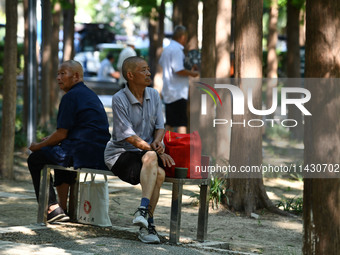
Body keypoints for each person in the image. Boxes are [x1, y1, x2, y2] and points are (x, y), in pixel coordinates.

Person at [27, 60, 111, 223]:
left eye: (63, 73)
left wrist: (38, 146)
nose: (58, 78)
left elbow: (61, 134)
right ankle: (62, 210)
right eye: (57, 74)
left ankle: (51, 207)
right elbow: (66, 131)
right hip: (97, 152)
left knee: (36, 158)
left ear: (76, 76)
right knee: (56, 154)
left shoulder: (70, 96)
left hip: (81, 153)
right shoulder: (88, 94)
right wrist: (52, 140)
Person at [104, 56, 175, 244]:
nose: (148, 73)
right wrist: (157, 150)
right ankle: (146, 216)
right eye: (143, 70)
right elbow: (128, 136)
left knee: (159, 173)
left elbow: (160, 127)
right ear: (130, 75)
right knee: (152, 159)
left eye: (148, 69)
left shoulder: (154, 95)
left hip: (146, 155)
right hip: (120, 154)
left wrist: (158, 142)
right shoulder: (119, 98)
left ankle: (145, 222)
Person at [159, 25, 199, 134]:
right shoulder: (177, 50)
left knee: (170, 123)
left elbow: (163, 65)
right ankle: (182, 148)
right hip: (178, 92)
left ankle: (164, 147)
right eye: (185, 38)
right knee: (181, 123)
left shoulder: (167, 49)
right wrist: (193, 74)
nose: (185, 41)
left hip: (169, 90)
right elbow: (178, 70)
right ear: (182, 37)